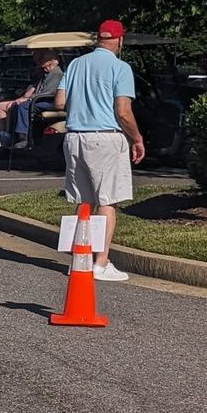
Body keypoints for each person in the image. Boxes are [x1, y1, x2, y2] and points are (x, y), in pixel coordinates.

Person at [54, 19, 146, 282]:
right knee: (107, 201)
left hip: (74, 138)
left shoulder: (75, 64)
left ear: (98, 39)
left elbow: (60, 101)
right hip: (105, 137)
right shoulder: (120, 68)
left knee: (84, 201)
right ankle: (101, 262)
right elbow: (123, 111)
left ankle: (78, 260)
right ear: (120, 40)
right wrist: (137, 138)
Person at [0, 50, 64, 149]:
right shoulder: (47, 73)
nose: (41, 63)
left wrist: (29, 98)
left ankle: (23, 137)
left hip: (50, 101)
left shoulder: (56, 74)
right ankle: (8, 136)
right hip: (42, 99)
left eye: (44, 60)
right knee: (16, 105)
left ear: (52, 61)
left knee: (24, 106)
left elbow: (48, 92)